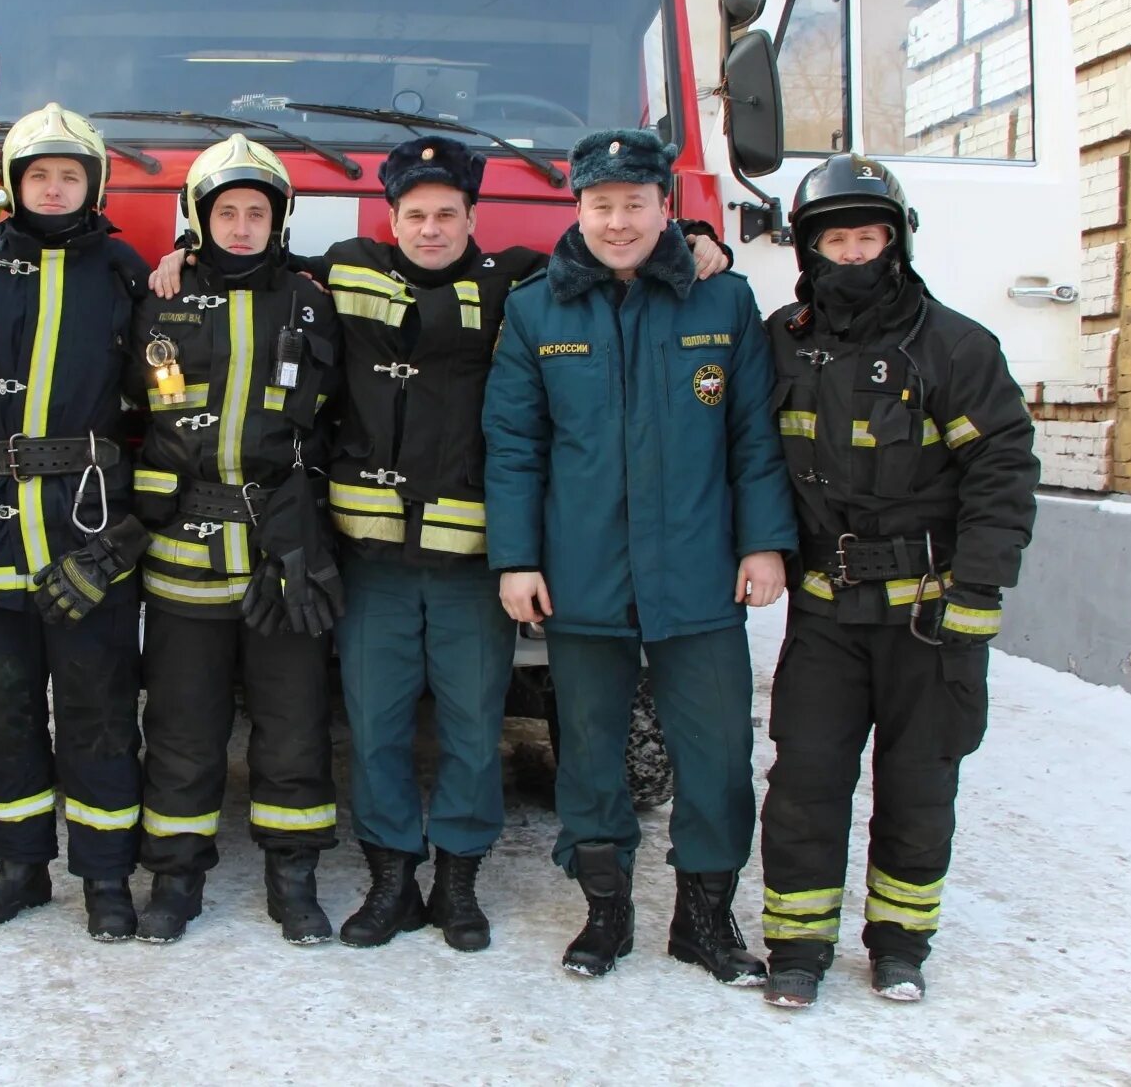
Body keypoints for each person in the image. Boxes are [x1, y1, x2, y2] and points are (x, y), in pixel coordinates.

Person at [152, 136, 728, 952]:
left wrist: (700, 239)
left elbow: (611, 248)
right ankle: (392, 880)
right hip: (371, 558)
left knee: (470, 727)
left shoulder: (521, 280)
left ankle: (458, 882)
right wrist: (185, 251)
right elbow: (251, 254)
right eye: (415, 215)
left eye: (446, 214)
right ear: (392, 218)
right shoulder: (344, 267)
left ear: (471, 217)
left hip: (470, 563)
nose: (430, 229)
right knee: (377, 724)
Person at [482, 127, 797, 982]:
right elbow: (514, 446)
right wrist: (517, 559)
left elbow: (752, 439)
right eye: (600, 205)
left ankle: (704, 918)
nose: (617, 222)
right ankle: (605, 914)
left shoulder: (722, 302)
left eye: (635, 204)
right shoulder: (535, 308)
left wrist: (765, 545)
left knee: (718, 750)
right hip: (580, 577)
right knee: (587, 751)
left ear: (668, 207)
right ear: (577, 208)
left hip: (697, 573)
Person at [755, 155, 1037, 1009]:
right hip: (826, 615)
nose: (853, 254)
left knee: (920, 784)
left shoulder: (954, 346)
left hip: (930, 617)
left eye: (868, 236)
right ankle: (797, 947)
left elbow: (1002, 470)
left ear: (898, 240)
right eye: (835, 239)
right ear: (809, 249)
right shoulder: (782, 342)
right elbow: (746, 454)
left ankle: (900, 943)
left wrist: (978, 592)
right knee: (804, 782)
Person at [0, 103, 152, 941]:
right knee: (3, 708)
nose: (53, 187)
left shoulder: (125, 269)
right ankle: (19, 865)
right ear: (12, 184)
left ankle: (107, 876)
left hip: (87, 529)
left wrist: (186, 255)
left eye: (68, 174)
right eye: (38, 174)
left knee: (100, 707)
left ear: (93, 184)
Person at [128, 135, 344, 944]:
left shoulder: (313, 298)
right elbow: (133, 410)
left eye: (259, 212)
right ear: (199, 219)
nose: (243, 226)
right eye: (227, 212)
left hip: (281, 552)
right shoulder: (159, 296)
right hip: (182, 552)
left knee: (293, 720)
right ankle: (175, 877)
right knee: (182, 724)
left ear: (280, 220)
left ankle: (295, 878)